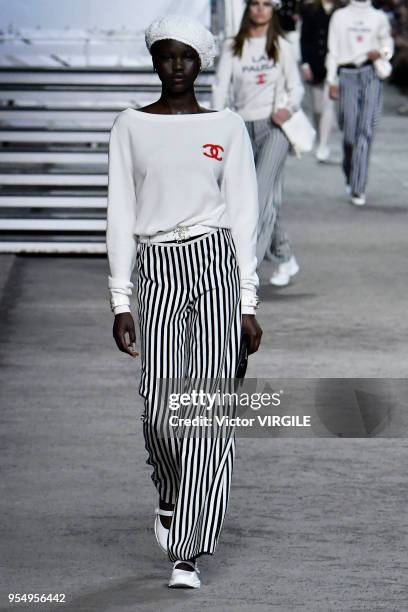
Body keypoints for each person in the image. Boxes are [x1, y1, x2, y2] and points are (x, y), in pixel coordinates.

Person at [106, 14, 263, 589]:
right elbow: (120, 214)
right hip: (157, 268)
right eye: (166, 56)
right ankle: (173, 497)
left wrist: (248, 302)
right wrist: (120, 299)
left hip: (216, 264)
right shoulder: (131, 126)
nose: (176, 66)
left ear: (202, 62)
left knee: (207, 413)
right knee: (158, 414)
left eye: (186, 57)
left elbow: (244, 215)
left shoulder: (227, 126)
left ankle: (188, 554)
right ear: (154, 60)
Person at [212, 0, 304, 287]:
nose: (260, 9)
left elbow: (296, 86)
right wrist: (217, 124)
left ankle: (246, 268)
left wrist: (287, 109)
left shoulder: (282, 46)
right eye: (255, 4)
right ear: (248, 9)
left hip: (274, 128)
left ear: (272, 10)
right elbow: (219, 86)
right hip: (241, 128)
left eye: (266, 4)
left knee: (260, 193)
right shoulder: (232, 47)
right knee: (264, 198)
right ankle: (285, 256)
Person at [326, 0, 394, 206]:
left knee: (365, 132)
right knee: (349, 134)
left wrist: (382, 53)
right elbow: (333, 49)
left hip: (371, 73)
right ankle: (351, 169)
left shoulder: (379, 16)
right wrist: (331, 80)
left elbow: (387, 44)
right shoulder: (340, 16)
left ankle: (358, 187)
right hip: (346, 74)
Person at [300, 0, 338, 161]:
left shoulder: (340, 12)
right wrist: (305, 63)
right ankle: (320, 133)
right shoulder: (310, 10)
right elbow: (305, 38)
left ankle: (323, 144)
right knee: (317, 108)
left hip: (335, 65)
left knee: (328, 104)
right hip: (315, 64)